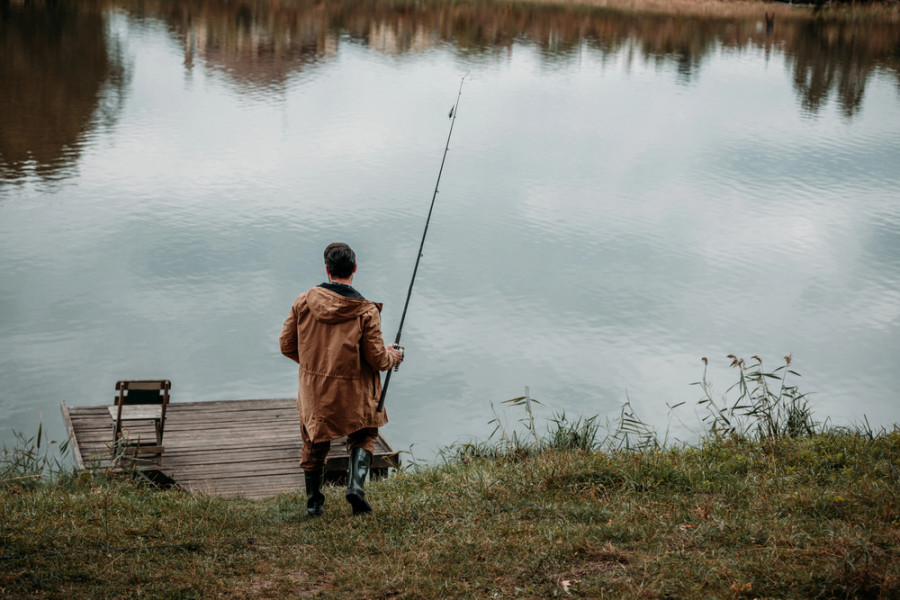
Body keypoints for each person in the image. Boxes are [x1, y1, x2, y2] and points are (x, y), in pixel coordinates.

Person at [280, 242, 404, 516]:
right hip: (354, 393)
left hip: (316, 392)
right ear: (354, 269)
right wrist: (393, 356)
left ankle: (314, 506)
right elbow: (377, 360)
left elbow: (286, 345)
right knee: (365, 433)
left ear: (327, 269)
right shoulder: (366, 311)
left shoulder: (303, 301)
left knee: (314, 443)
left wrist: (316, 364)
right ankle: (355, 488)